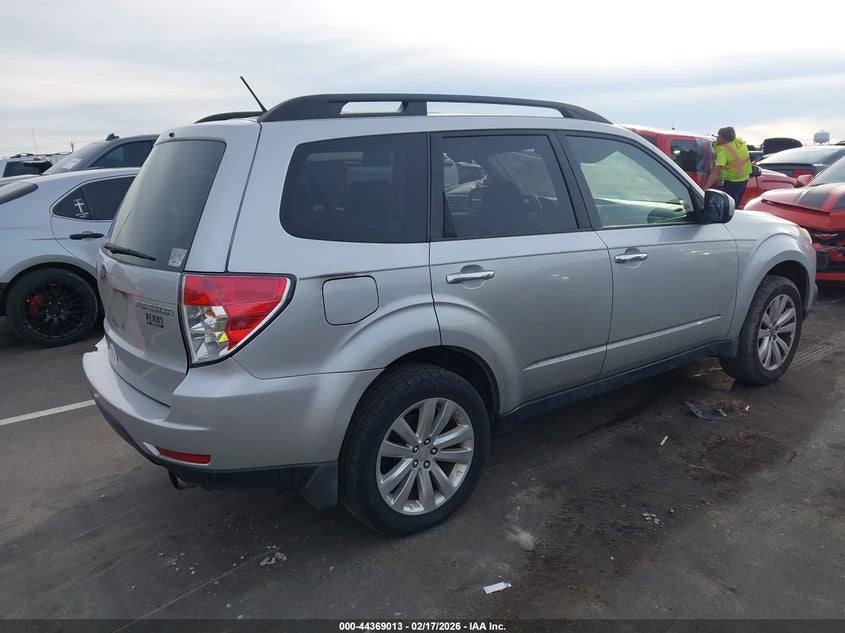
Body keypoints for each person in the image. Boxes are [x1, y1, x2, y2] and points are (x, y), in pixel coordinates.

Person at [703, 126, 753, 206]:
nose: (717, 138)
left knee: (728, 206)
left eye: (720, 137)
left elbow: (715, 173)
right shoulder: (739, 141)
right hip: (744, 177)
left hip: (733, 182)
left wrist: (704, 190)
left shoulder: (724, 152)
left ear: (726, 140)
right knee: (735, 204)